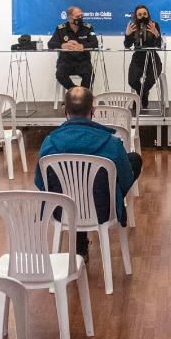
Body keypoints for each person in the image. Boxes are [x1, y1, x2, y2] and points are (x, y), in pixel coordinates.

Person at [33, 87, 141, 258]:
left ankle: (80, 243)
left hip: (64, 211)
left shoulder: (49, 143)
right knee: (134, 160)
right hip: (102, 209)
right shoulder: (112, 144)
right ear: (93, 110)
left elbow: (40, 182)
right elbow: (126, 178)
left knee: (73, 185)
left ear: (64, 110)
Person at [48, 6, 99, 93]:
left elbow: (95, 43)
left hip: (83, 62)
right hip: (66, 61)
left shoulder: (88, 28)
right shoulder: (61, 29)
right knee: (60, 74)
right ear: (69, 18)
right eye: (77, 17)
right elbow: (50, 44)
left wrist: (82, 46)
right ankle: (76, 92)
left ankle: (83, 97)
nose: (80, 18)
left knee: (89, 74)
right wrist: (63, 45)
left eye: (81, 16)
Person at [124, 4, 163, 109]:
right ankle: (143, 94)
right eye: (140, 15)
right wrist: (127, 35)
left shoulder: (154, 25)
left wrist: (156, 34)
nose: (143, 16)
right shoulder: (133, 26)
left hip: (152, 58)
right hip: (138, 58)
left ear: (148, 14)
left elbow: (159, 45)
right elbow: (127, 45)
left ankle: (140, 97)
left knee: (149, 80)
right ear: (136, 16)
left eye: (145, 14)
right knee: (132, 81)